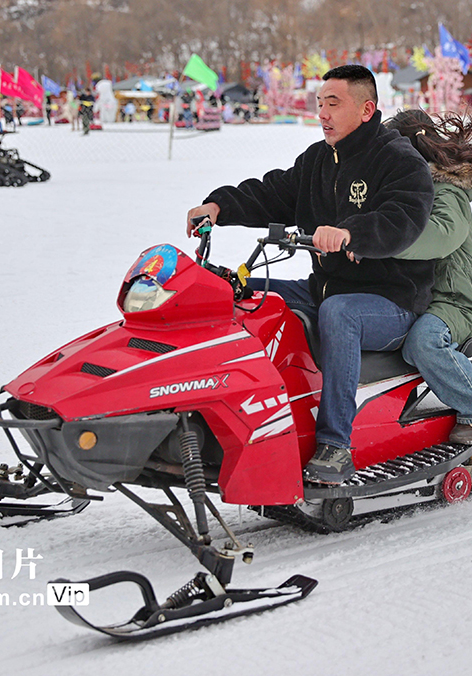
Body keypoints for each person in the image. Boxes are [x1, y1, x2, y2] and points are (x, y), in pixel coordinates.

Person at [185, 65, 436, 485]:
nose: (322, 113)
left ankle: (335, 445)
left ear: (366, 109)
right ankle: (215, 412)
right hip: (324, 288)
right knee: (235, 289)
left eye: (333, 104)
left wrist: (352, 233)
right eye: (320, 103)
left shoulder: (399, 161)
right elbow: (272, 192)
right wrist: (219, 207)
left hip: (391, 303)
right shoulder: (319, 159)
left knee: (339, 313)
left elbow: (402, 220)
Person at [384, 109, 472, 445]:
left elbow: (443, 236)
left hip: (449, 303)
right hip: (409, 296)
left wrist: (383, 243)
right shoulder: (405, 188)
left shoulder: (447, 192)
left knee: (424, 341)